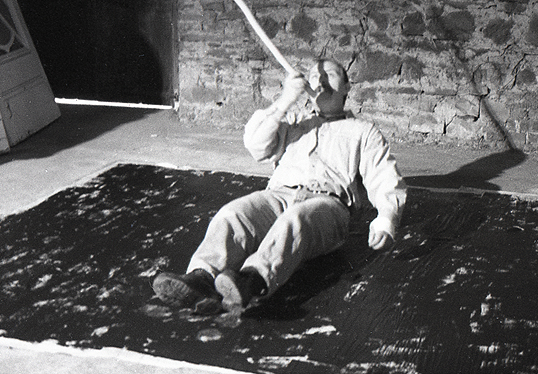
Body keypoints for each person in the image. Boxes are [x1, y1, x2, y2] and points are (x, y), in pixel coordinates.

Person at [152, 58, 407, 313]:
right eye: (315, 76)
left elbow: (384, 175)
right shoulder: (292, 122)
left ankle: (250, 281)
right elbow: (255, 144)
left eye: (330, 74)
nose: (321, 81)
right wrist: (285, 100)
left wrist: (387, 217)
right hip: (279, 194)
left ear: (347, 86)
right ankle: (201, 279)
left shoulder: (363, 131)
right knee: (233, 213)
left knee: (295, 220)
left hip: (329, 206)